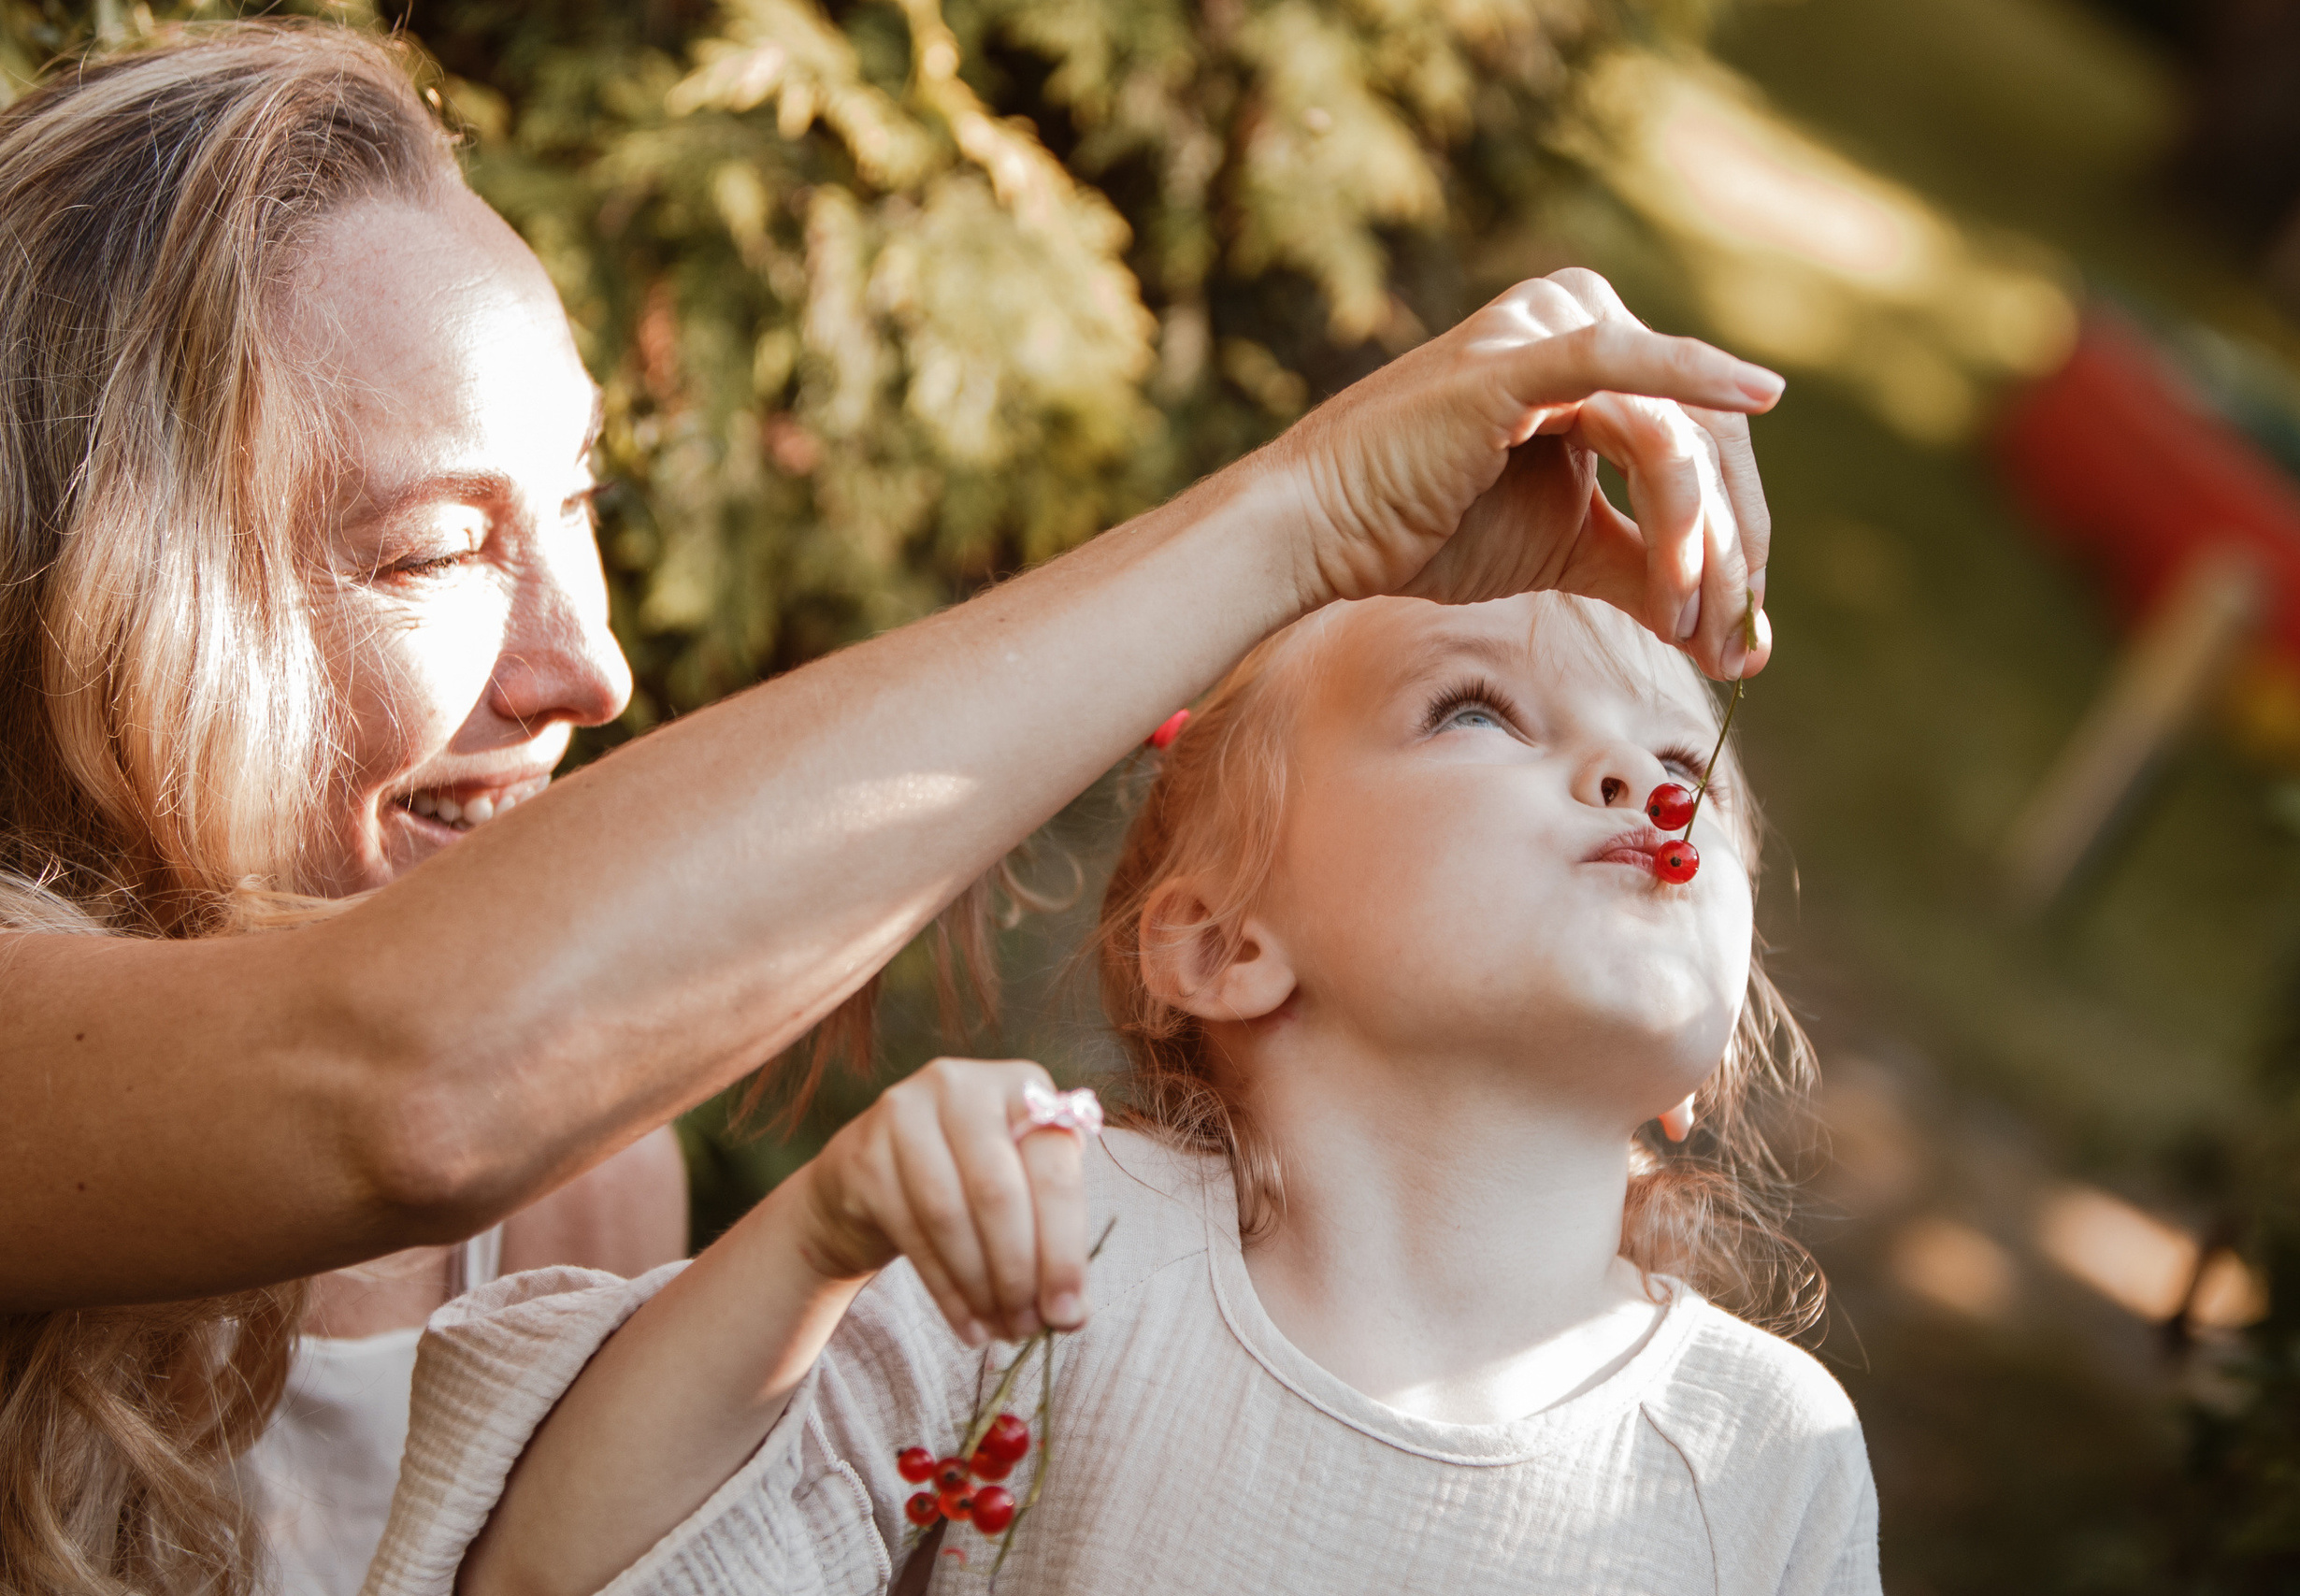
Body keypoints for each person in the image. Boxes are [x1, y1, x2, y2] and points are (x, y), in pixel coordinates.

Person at [0, 20, 1782, 1596]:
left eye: (583, 502)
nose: (595, 666)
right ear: (108, 613)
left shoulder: (579, 1202)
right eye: (436, 551)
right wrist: (1300, 518)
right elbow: (418, 1086)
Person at [367, 589, 1873, 1596]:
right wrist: (821, 1240)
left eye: (1685, 759)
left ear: (1713, 1055)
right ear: (1221, 943)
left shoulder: (1765, 1459)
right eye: (1476, 710)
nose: (1636, 778)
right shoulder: (1050, 1253)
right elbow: (554, 1577)